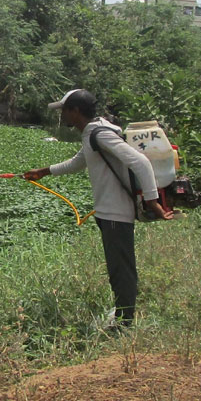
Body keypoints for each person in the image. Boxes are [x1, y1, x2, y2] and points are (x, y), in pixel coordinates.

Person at [23, 89, 168, 327]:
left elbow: (141, 162)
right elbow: (78, 162)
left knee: (121, 270)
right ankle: (123, 313)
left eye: (64, 111)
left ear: (76, 111)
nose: (62, 117)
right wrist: (43, 171)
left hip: (115, 212)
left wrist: (153, 202)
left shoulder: (100, 135)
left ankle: (123, 322)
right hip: (109, 212)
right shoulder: (95, 133)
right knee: (119, 267)